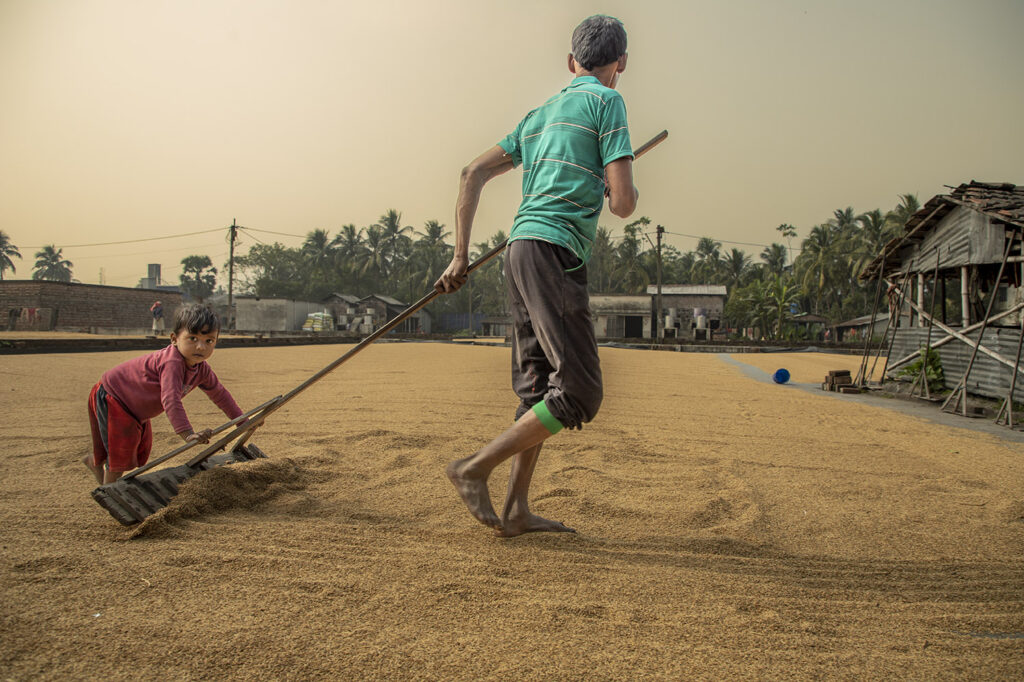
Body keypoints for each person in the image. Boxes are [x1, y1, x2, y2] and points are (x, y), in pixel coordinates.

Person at [434, 15, 638, 537]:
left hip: (519, 250)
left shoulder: (541, 113)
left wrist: (459, 257)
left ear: (571, 63)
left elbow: (471, 172)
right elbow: (623, 205)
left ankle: (517, 510)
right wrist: (611, 177)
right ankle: (474, 467)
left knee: (537, 388)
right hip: (554, 253)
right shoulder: (607, 102)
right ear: (620, 65)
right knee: (579, 393)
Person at [82, 304, 245, 486]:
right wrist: (188, 434)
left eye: (209, 341)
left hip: (135, 409)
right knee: (122, 451)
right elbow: (170, 399)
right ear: (174, 339)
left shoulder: (202, 370)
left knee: (136, 450)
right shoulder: (172, 362)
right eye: (193, 338)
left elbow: (220, 394)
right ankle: (111, 492)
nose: (200, 347)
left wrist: (242, 420)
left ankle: (97, 468)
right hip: (115, 397)